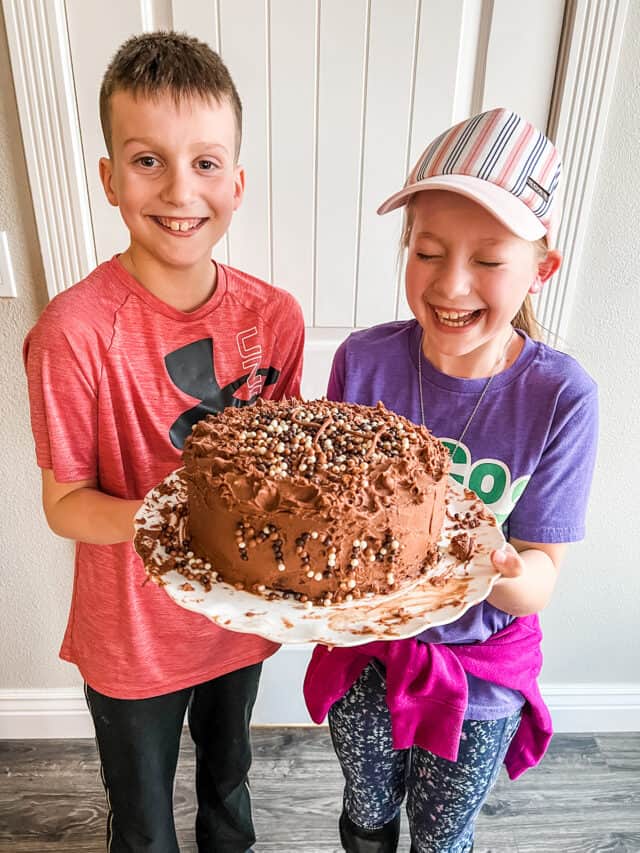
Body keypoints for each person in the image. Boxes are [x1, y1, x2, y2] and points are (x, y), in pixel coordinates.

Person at [23, 31, 304, 853]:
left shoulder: (274, 317)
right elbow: (66, 504)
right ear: (109, 177)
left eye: (207, 162)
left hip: (238, 619)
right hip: (132, 634)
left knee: (229, 777)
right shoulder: (72, 333)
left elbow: (281, 472)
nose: (181, 189)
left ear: (238, 182)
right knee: (142, 819)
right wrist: (183, 511)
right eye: (148, 160)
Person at [303, 107, 598, 853]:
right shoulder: (364, 363)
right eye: (428, 251)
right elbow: (341, 526)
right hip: (367, 656)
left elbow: (538, 578)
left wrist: (484, 559)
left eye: (489, 259)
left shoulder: (561, 396)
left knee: (442, 834)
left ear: (542, 267)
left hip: (481, 677)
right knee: (367, 810)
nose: (451, 282)